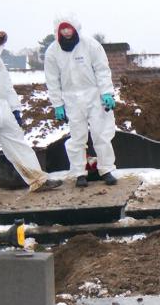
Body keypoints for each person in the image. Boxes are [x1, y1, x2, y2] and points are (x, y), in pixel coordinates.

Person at [0, 25, 62, 201]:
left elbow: (6, 86)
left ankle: (37, 179)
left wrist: (15, 109)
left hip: (2, 107)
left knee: (18, 143)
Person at [44, 14, 118, 187]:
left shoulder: (90, 45)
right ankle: (79, 173)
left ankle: (106, 169)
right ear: (58, 31)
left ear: (75, 27)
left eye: (68, 28)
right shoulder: (53, 52)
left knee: (101, 134)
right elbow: (52, 80)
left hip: (93, 96)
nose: (66, 32)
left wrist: (106, 93)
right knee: (77, 136)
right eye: (62, 29)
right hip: (71, 99)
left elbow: (101, 69)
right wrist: (58, 104)